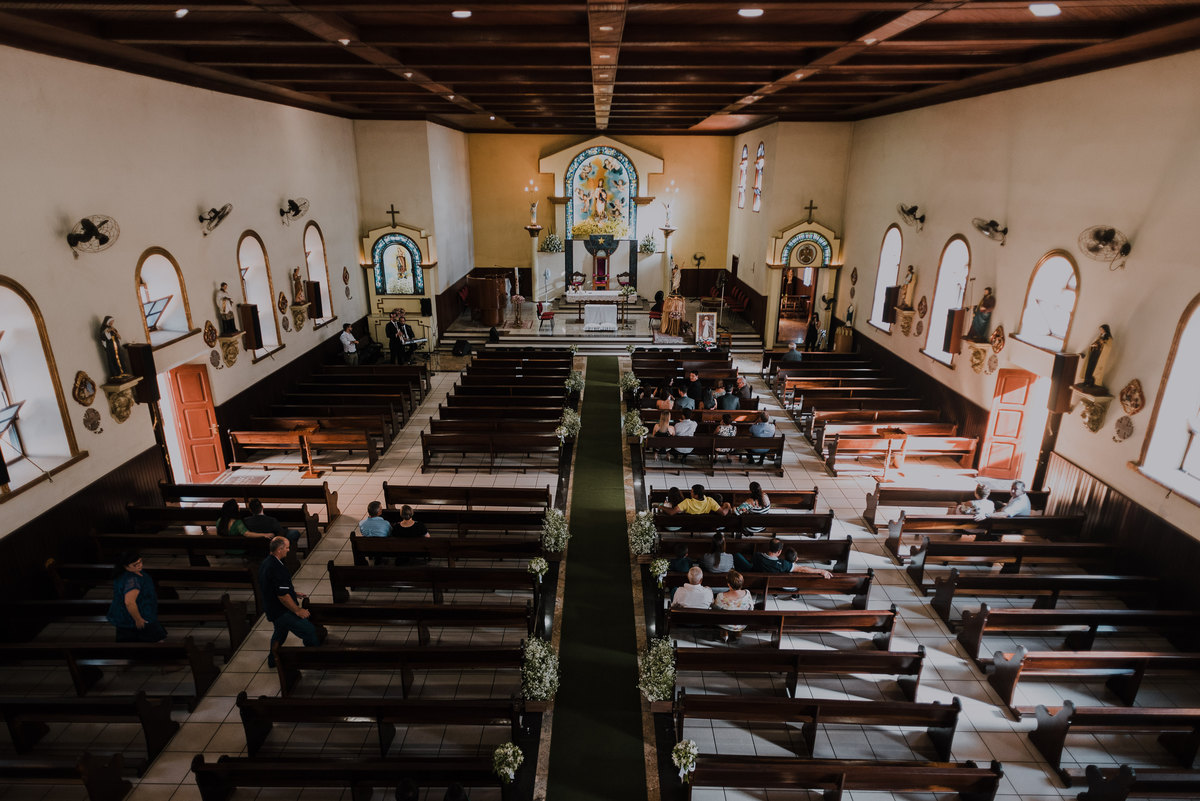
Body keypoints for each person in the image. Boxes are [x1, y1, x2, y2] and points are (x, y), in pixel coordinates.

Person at [259, 536, 325, 668]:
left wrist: (293, 593)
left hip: (271, 608)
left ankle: (273, 660)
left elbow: (274, 587)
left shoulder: (267, 562)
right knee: (309, 631)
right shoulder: (277, 568)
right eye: (287, 548)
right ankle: (314, 660)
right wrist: (298, 610)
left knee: (279, 633)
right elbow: (282, 596)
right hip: (281, 611)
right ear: (279, 549)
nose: (288, 550)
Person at [106, 552, 167, 642]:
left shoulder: (131, 573)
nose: (140, 565)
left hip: (139, 612)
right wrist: (138, 619)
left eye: (140, 562)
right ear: (125, 566)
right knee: (153, 639)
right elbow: (129, 602)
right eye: (135, 564)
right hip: (136, 615)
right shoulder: (132, 580)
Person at [736, 538, 832, 577]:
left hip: (755, 578)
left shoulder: (757, 556)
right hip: (772, 583)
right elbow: (802, 569)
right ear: (779, 552)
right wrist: (821, 571)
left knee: (737, 556)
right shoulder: (784, 564)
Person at [713, 570, 755, 642]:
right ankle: (738, 632)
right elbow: (751, 608)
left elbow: (715, 609)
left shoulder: (721, 596)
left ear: (729, 584)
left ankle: (724, 632)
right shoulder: (747, 593)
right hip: (742, 624)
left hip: (726, 624)